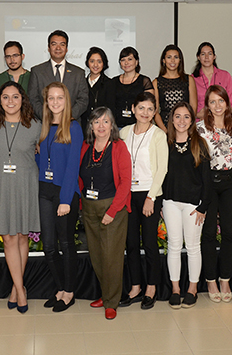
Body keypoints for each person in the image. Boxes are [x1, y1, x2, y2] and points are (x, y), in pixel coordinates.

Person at [0, 81, 41, 313]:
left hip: (25, 184)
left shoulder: (35, 125)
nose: (10, 102)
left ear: (22, 99)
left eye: (15, 97)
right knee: (8, 238)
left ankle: (16, 289)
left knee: (22, 235)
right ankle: (21, 289)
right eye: (5, 97)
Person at [79, 107, 132, 320]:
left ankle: (112, 301)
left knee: (111, 257)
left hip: (113, 208)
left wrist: (112, 210)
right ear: (91, 125)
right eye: (97, 122)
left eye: (105, 122)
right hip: (89, 207)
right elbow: (80, 176)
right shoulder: (86, 146)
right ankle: (105, 293)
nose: (101, 126)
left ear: (112, 125)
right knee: (97, 256)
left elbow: (125, 183)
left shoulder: (119, 147)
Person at [36, 82, 83, 312]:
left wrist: (65, 199)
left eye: (60, 98)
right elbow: (41, 160)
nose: (55, 102)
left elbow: (73, 166)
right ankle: (59, 288)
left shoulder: (73, 127)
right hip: (44, 191)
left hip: (65, 192)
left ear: (67, 101)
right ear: (46, 102)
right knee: (48, 246)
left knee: (65, 244)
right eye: (51, 98)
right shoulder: (43, 127)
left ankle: (69, 291)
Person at [119, 92, 167, 310]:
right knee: (130, 243)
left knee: (148, 243)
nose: (145, 113)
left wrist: (151, 197)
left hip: (149, 193)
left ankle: (151, 287)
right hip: (127, 194)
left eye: (150, 109)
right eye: (141, 108)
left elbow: (162, 169)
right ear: (133, 109)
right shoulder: (124, 132)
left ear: (154, 112)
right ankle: (136, 286)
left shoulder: (158, 135)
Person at [162, 102, 212, 309]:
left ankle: (192, 289)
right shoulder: (165, 142)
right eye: (177, 116)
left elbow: (207, 178)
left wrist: (203, 206)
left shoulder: (199, 144)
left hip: (193, 205)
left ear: (192, 121)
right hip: (170, 202)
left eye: (186, 117)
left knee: (192, 247)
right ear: (172, 120)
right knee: (173, 245)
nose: (181, 121)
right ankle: (175, 289)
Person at [196, 85, 232, 303]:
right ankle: (211, 279)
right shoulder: (199, 129)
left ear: (227, 103)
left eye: (220, 101)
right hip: (209, 185)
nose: (217, 105)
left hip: (231, 183)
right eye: (212, 102)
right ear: (207, 105)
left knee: (230, 233)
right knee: (209, 233)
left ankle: (225, 279)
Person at [28, 30, 89, 120]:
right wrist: (47, 117)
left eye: (62, 44)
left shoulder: (78, 73)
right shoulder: (37, 71)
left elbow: (83, 99)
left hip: (70, 124)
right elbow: (33, 99)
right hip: (44, 125)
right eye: (54, 44)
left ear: (67, 49)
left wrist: (68, 116)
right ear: (48, 48)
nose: (58, 48)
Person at [153, 45, 197, 132]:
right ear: (164, 61)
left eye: (176, 57)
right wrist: (165, 131)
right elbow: (155, 112)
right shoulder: (156, 82)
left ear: (180, 60)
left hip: (184, 127)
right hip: (164, 129)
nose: (172, 60)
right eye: (169, 57)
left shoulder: (189, 80)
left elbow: (193, 108)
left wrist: (185, 127)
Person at [109, 46, 154, 128]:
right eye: (123, 60)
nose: (126, 63)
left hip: (138, 127)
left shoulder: (144, 81)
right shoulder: (113, 81)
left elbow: (151, 106)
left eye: (130, 59)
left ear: (136, 62)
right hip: (117, 127)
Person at [192, 42, 232, 115]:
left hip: (222, 120)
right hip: (200, 122)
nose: (206, 57)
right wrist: (197, 115)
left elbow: (231, 104)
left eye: (209, 54)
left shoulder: (225, 76)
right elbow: (189, 107)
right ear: (198, 57)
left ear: (214, 56)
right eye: (203, 54)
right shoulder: (192, 79)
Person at [81, 46, 113, 132]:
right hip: (83, 128)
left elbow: (110, 110)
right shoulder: (81, 82)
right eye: (92, 61)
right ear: (87, 63)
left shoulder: (109, 84)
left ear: (104, 63)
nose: (95, 65)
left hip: (101, 129)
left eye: (99, 61)